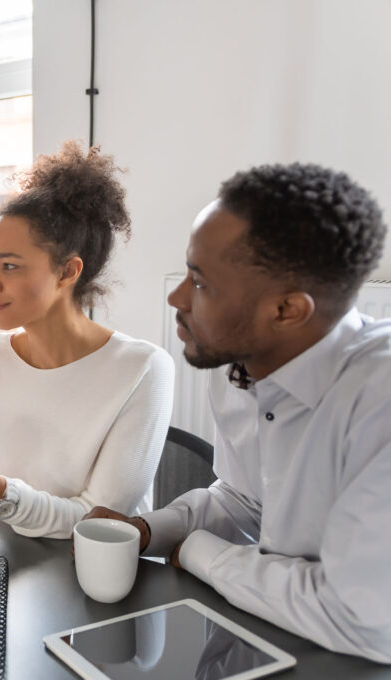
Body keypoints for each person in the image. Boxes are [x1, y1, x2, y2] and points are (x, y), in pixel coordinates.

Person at [85, 162, 391, 662]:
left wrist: (203, 554)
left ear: (287, 310)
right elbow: (245, 500)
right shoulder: (240, 367)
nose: (176, 297)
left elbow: (362, 618)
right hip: (258, 641)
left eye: (201, 283)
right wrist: (147, 531)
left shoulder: (379, 400)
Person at [0, 141, 174, 538]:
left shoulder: (142, 369)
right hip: (7, 565)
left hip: (93, 579)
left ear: (67, 272)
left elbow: (100, 525)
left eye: (9, 266)